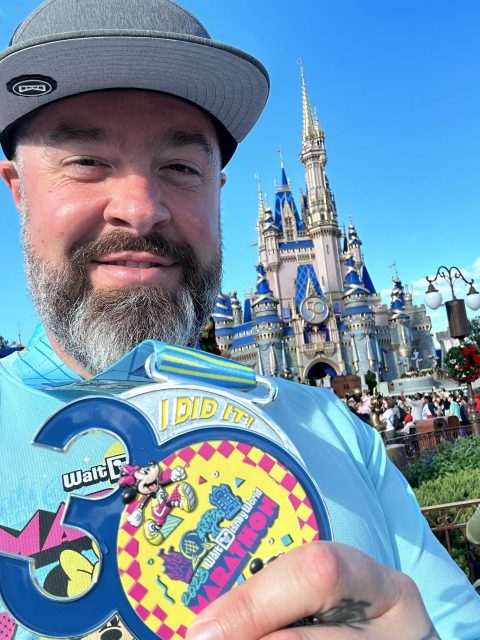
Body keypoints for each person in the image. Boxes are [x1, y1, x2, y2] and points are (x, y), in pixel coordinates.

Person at [0, 1, 478, 639]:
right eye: (87, 160)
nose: (141, 210)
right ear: (17, 187)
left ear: (217, 193)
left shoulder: (335, 432)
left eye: (180, 167)